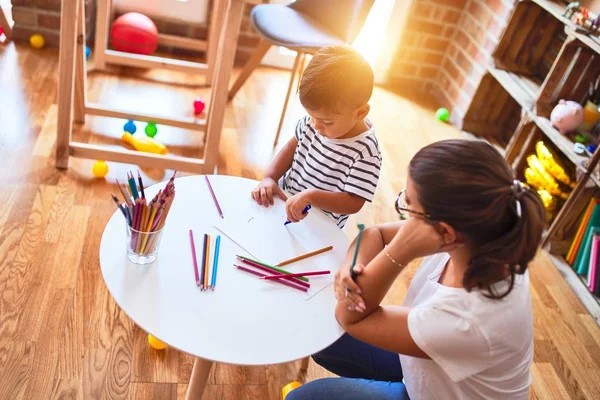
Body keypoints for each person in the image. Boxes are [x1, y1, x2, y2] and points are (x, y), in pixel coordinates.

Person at [287, 139, 546, 399]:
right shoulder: (484, 234)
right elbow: (375, 233)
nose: (404, 210)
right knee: (320, 333)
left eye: (408, 203)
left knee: (300, 398)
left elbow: (350, 318)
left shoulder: (467, 320)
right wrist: (352, 268)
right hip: (430, 367)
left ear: (445, 232)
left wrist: (400, 251)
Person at [251, 45, 381, 228]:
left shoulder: (366, 151)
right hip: (284, 202)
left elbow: (354, 202)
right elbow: (291, 148)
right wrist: (270, 178)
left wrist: (311, 196)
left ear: (360, 112)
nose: (315, 125)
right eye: (311, 116)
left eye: (327, 122)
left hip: (320, 225)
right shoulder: (314, 122)